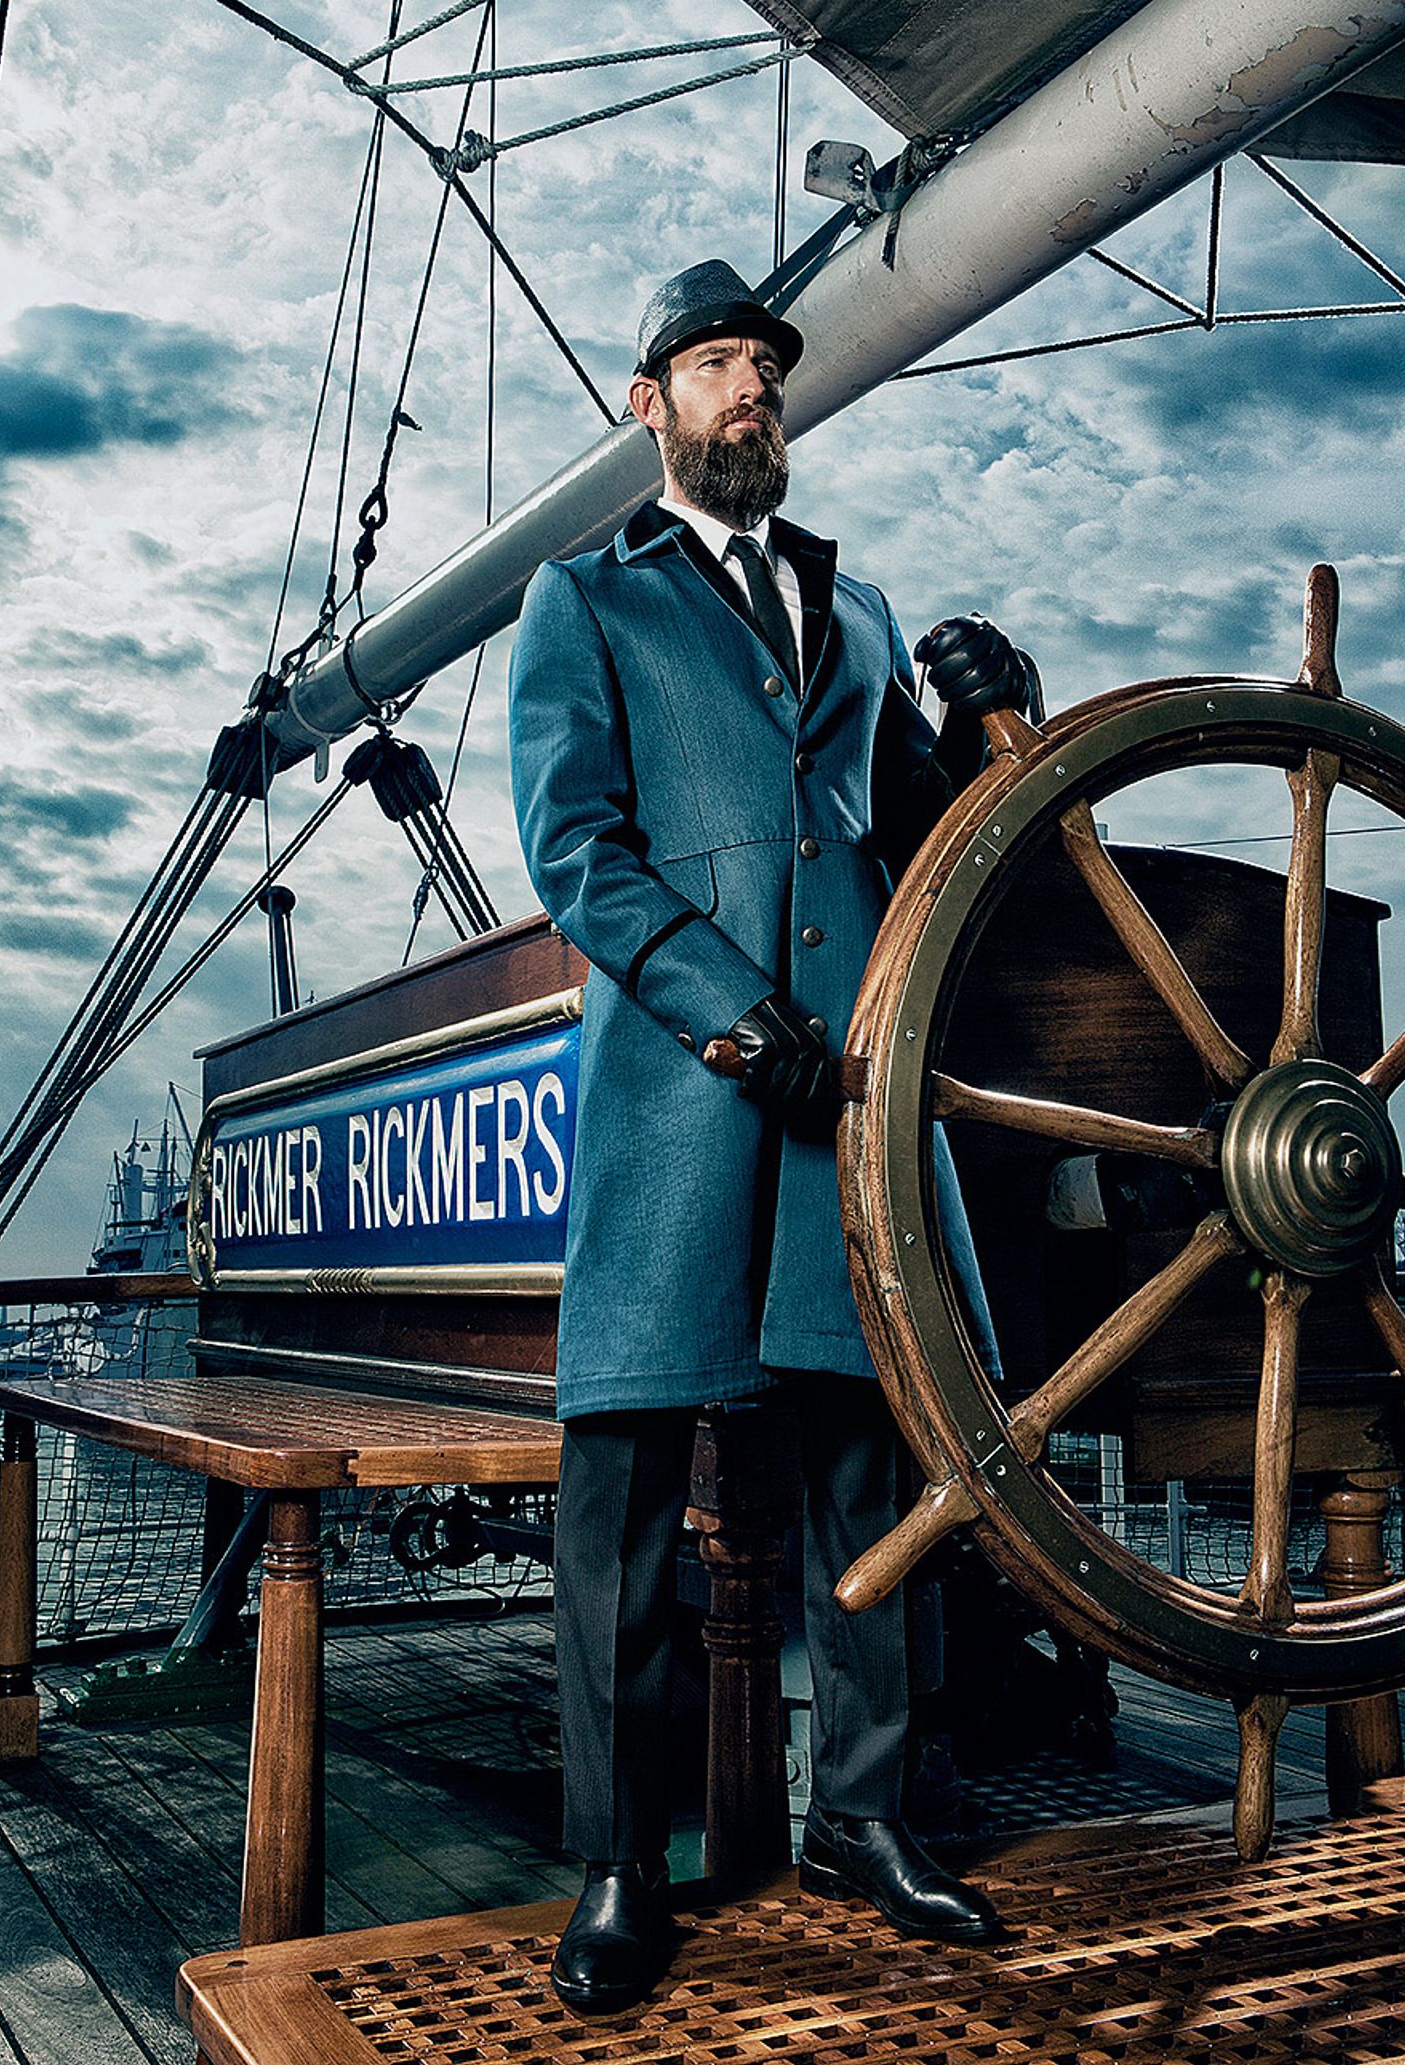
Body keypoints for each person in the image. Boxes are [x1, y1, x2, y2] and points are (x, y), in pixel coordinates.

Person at [509, 260, 1026, 2014]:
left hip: (855, 1108)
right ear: (647, 401)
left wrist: (979, 726)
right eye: (718, 365)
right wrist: (730, 1009)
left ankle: (863, 1820)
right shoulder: (579, 600)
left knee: (881, 1463)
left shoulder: (854, 605)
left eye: (768, 371)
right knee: (625, 1490)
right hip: (687, 1087)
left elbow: (913, 839)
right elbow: (575, 843)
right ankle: (613, 1864)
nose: (752, 392)